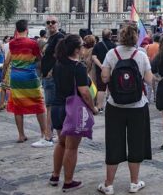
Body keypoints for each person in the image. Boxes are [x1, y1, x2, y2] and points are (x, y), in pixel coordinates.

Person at [98, 25, 153, 195]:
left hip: (115, 106)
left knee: (114, 142)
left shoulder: (111, 54)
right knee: (136, 143)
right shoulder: (141, 55)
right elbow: (149, 80)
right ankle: (134, 183)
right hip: (137, 106)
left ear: (120, 37)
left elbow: (105, 77)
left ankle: (108, 184)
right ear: (136, 37)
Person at [49, 34, 97, 192]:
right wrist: (92, 107)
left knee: (61, 143)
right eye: (82, 46)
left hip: (57, 107)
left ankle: (55, 175)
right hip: (72, 109)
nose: (83, 48)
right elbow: (84, 91)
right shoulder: (78, 67)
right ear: (76, 49)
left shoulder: (58, 64)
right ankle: (68, 181)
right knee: (71, 147)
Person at [7, 20, 50, 146]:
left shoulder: (11, 43)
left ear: (16, 29)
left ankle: (21, 135)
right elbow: (39, 58)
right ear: (26, 29)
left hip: (15, 76)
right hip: (29, 76)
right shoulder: (32, 43)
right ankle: (43, 132)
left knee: (17, 105)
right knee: (38, 103)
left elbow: (10, 59)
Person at [41, 16, 65, 144]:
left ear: (58, 24)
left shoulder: (59, 37)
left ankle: (48, 136)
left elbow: (59, 55)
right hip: (47, 75)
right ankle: (53, 134)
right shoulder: (51, 38)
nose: (50, 24)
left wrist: (51, 71)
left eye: (53, 22)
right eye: (48, 22)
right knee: (51, 105)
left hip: (52, 76)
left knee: (50, 106)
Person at [92, 29, 115, 113]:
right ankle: (113, 106)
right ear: (110, 35)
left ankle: (99, 107)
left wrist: (101, 66)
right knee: (112, 88)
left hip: (100, 70)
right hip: (111, 70)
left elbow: (94, 57)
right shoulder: (114, 45)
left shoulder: (97, 45)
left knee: (101, 89)